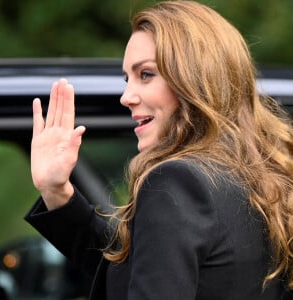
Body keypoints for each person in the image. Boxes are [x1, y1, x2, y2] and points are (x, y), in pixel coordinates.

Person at [25, 1, 293, 299]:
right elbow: (135, 268)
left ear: (193, 77)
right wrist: (56, 192)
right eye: (128, 79)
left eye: (146, 74)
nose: (126, 97)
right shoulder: (261, 175)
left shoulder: (176, 181)